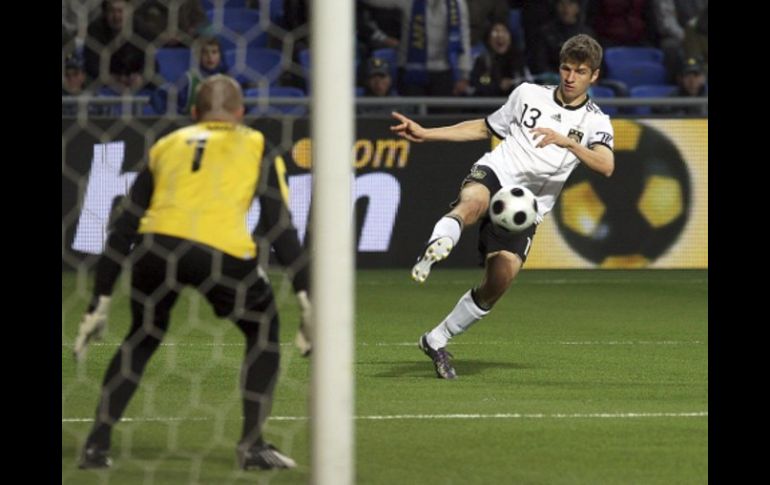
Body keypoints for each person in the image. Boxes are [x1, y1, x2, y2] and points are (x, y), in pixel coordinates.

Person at [75, 75, 302, 471]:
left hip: (156, 248)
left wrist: (100, 300)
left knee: (142, 336)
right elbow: (280, 228)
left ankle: (96, 445)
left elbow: (122, 228)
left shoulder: (165, 145)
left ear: (193, 113)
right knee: (263, 330)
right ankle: (252, 446)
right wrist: (306, 295)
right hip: (222, 251)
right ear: (240, 113)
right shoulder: (257, 143)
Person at [389, 34, 615, 379]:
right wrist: (428, 133)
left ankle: (436, 339)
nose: (570, 77)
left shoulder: (596, 121)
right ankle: (441, 242)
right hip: (498, 171)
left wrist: (568, 142)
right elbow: (484, 127)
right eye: (566, 69)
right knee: (473, 201)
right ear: (559, 68)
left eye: (580, 72)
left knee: (500, 280)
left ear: (594, 76)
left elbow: (606, 164)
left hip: (526, 206)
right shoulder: (527, 94)